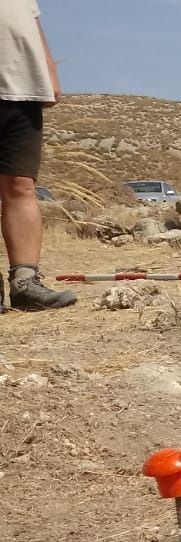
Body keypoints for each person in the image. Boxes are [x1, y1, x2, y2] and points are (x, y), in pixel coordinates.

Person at [0, 0, 75, 312]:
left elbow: (32, 20)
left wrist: (49, 69)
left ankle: (25, 284)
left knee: (22, 185)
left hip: (22, 87)